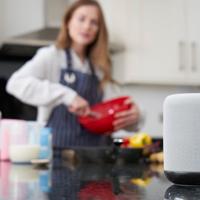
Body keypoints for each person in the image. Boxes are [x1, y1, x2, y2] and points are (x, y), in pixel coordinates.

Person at [6, 0, 140, 152]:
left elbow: (111, 115)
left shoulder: (100, 67)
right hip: (56, 154)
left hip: (95, 157)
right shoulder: (52, 56)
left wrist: (134, 118)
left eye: (94, 22)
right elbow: (15, 83)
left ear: (98, 30)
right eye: (81, 19)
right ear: (68, 21)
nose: (87, 26)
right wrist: (66, 95)